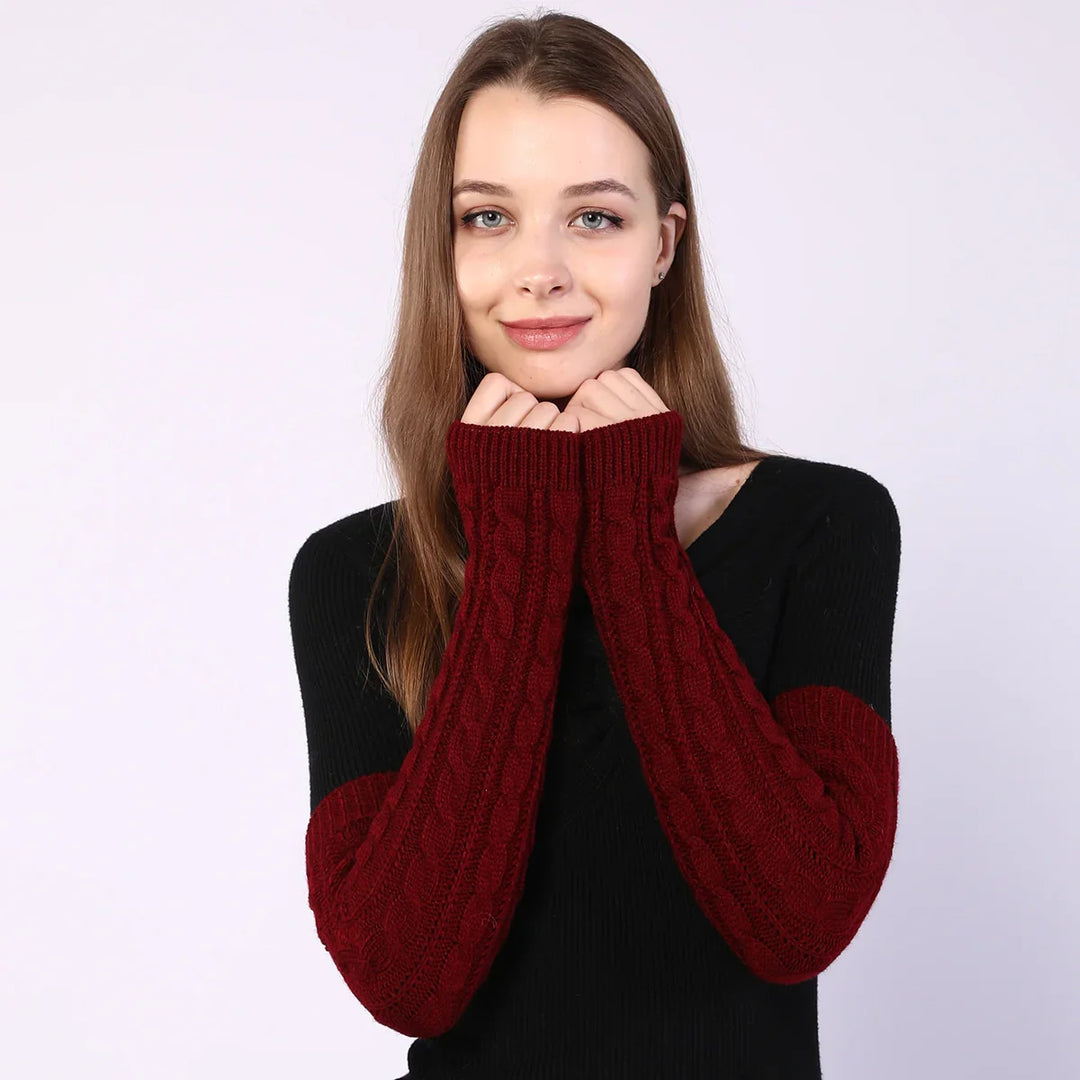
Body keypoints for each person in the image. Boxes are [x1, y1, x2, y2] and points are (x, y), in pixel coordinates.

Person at [287, 11, 901, 1079]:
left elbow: (801, 918)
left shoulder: (825, 525)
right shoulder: (354, 574)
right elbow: (404, 979)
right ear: (442, 246)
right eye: (487, 217)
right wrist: (522, 553)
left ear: (663, 242)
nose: (541, 272)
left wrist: (627, 541)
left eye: (595, 219)